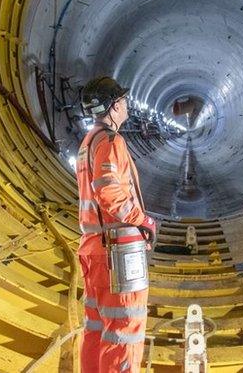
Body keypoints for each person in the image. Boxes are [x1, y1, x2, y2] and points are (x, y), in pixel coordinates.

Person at [75, 75, 157, 372]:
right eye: (121, 100)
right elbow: (108, 189)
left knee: (96, 329)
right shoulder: (111, 141)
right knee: (124, 332)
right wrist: (143, 220)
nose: (126, 104)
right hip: (117, 254)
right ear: (111, 107)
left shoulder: (88, 142)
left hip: (94, 250)